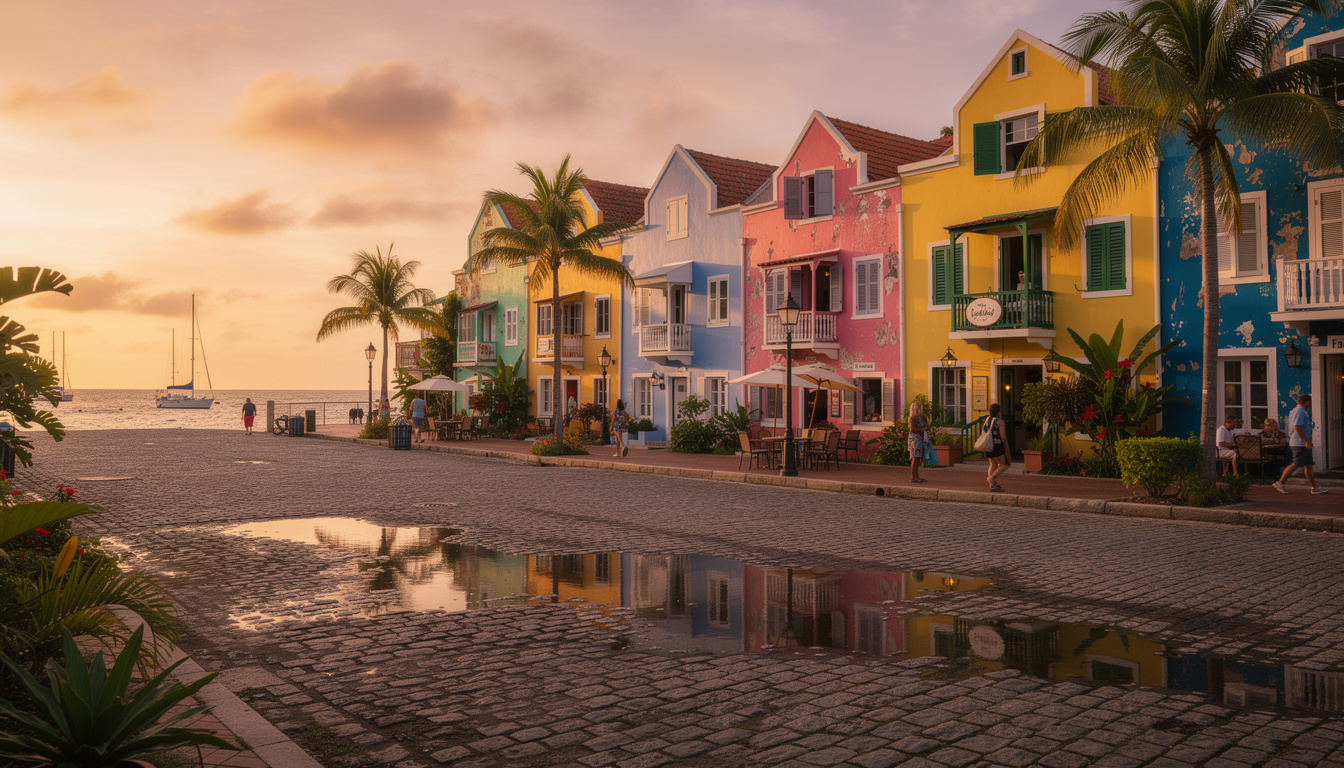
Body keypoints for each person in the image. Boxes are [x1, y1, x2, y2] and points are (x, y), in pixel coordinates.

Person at [1274, 394, 1329, 495]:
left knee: (1308, 465)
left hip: (1302, 443)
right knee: (1296, 464)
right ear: (1307, 402)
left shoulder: (1298, 411)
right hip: (1299, 443)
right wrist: (1306, 441)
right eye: (1311, 402)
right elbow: (1297, 427)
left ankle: (1314, 487)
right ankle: (1280, 482)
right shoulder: (1300, 412)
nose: (1311, 404)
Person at [986, 403, 1011, 492]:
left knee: (993, 464)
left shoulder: (987, 419)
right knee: (1005, 464)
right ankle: (992, 478)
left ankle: (992, 485)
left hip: (988, 446)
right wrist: (1007, 448)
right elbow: (1003, 437)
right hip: (997, 446)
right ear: (998, 411)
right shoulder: (1000, 422)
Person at [907, 400, 928, 483]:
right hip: (914, 439)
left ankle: (917, 476)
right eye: (920, 408)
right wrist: (921, 430)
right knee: (915, 458)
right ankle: (913, 477)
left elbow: (925, 426)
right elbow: (912, 429)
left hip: (920, 438)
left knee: (918, 458)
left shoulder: (921, 418)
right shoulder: (912, 418)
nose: (921, 410)